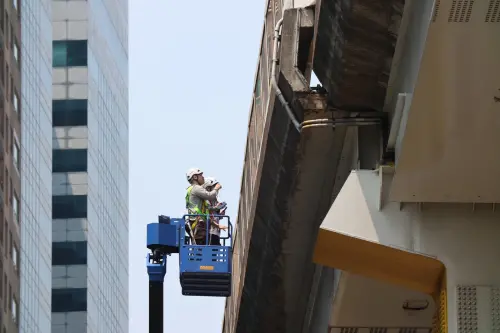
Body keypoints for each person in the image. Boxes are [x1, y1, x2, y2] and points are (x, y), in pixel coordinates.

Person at [185, 168, 221, 245]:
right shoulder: (196, 188)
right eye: (200, 175)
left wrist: (216, 209)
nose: (203, 177)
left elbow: (206, 208)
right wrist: (216, 188)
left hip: (197, 222)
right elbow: (210, 196)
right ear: (195, 177)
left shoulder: (192, 189)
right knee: (203, 247)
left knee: (202, 246)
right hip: (198, 223)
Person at [203, 177, 228, 245]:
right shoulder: (205, 200)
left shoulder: (214, 200)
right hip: (210, 232)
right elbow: (208, 212)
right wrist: (216, 208)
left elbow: (213, 215)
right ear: (208, 188)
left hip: (215, 232)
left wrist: (220, 214)